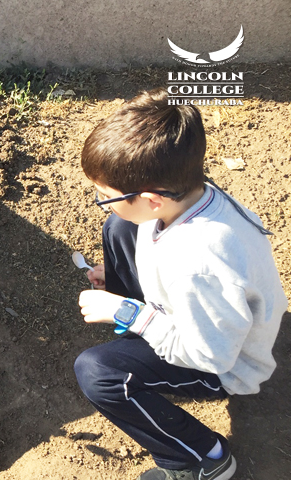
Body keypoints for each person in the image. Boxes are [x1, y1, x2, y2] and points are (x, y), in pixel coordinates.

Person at [73, 88, 286, 480]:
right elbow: (155, 244)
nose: (100, 201)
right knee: (120, 226)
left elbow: (211, 356)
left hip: (225, 362)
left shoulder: (197, 264)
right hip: (203, 308)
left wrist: (128, 312)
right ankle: (139, 333)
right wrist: (124, 276)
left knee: (99, 373)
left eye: (104, 196)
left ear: (152, 199)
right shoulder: (189, 193)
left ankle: (202, 457)